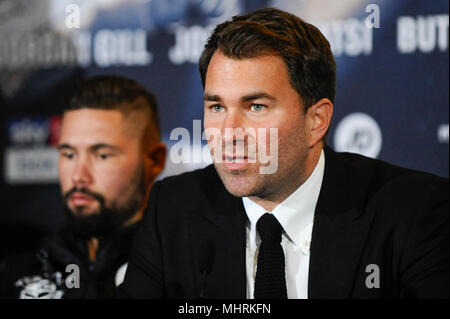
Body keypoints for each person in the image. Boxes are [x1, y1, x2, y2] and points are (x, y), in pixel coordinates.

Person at [118, 8, 449, 299]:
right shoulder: (174, 209)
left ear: (315, 120)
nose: (229, 132)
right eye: (217, 106)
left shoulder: (413, 210)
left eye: (256, 106)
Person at [0, 75, 166, 299]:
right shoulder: (18, 273)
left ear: (154, 161)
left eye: (102, 155)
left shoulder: (187, 272)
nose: (78, 176)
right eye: (68, 154)